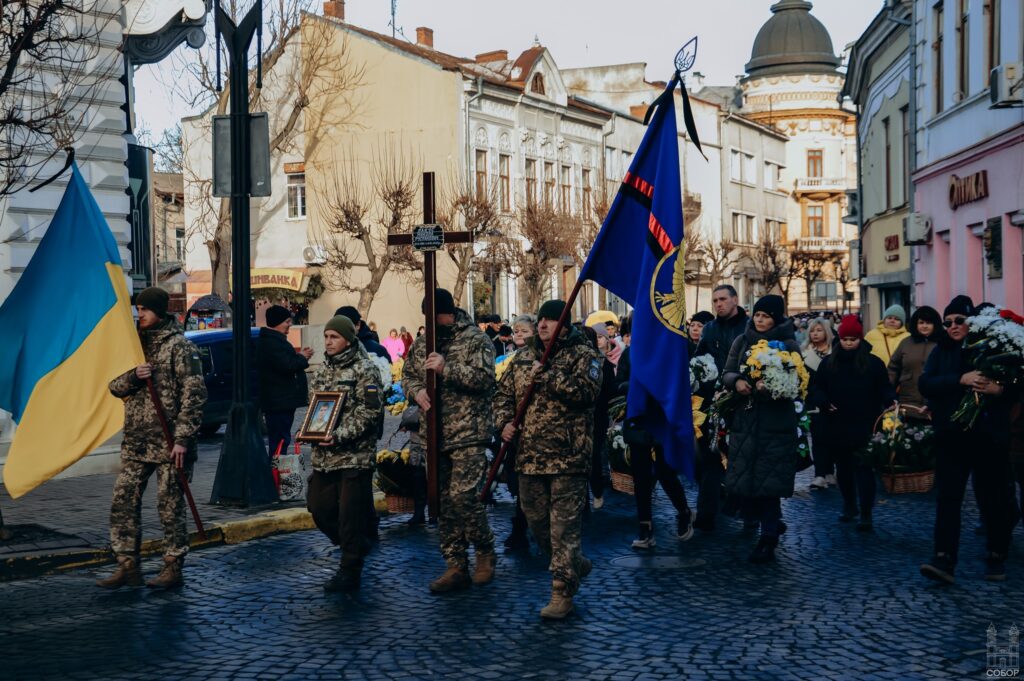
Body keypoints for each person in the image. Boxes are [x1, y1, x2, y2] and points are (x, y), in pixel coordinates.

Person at [494, 300, 601, 619]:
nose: (543, 325)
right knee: (537, 522)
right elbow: (501, 396)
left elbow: (587, 393)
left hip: (569, 456)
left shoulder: (583, 355)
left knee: (563, 528)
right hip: (529, 456)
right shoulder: (522, 358)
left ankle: (561, 590)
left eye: (551, 321)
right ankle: (574, 562)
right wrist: (504, 424)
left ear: (565, 326)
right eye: (541, 320)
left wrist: (551, 376)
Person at [98, 287, 207, 590]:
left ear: (160, 311)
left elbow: (194, 395)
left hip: (171, 444)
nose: (140, 314)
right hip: (137, 441)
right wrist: (134, 375)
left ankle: (172, 566)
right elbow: (113, 386)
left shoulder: (179, 347)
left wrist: (184, 439)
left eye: (145, 309)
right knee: (123, 499)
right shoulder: (133, 346)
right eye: (138, 309)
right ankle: (127, 565)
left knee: (169, 504)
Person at [403, 289, 497, 593]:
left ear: (447, 313)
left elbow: (484, 379)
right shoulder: (422, 344)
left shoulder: (474, 339)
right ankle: (455, 563)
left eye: (433, 317)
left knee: (464, 497)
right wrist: (415, 391)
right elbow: (408, 375)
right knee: (441, 500)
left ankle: (484, 550)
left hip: (468, 431)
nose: (429, 323)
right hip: (434, 434)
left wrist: (447, 369)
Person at [919, 296, 1017, 584]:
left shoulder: (994, 346)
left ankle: (996, 554)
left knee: (992, 498)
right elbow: (926, 383)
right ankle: (943, 558)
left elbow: (1015, 386)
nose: (952, 326)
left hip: (988, 437)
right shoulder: (941, 351)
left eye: (958, 321)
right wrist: (958, 380)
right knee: (948, 499)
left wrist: (1000, 390)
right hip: (952, 437)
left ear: (971, 322)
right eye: (947, 322)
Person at [305, 315, 384, 592]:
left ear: (348, 340)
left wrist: (337, 436)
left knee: (349, 516)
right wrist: (311, 431)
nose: (328, 342)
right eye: (326, 336)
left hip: (354, 457)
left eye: (334, 337)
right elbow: (316, 409)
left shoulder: (366, 370)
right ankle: (357, 545)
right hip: (324, 459)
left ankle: (350, 569)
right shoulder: (322, 371)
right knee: (319, 508)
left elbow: (370, 413)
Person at [721, 294, 800, 564]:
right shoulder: (742, 341)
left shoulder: (788, 344)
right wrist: (738, 382)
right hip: (746, 422)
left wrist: (771, 388)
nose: (760, 320)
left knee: (769, 484)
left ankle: (768, 538)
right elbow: (728, 371)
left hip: (775, 424)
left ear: (776, 318)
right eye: (757, 315)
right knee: (747, 481)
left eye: (766, 316)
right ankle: (769, 522)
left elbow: (796, 382)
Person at [811, 315, 895, 531]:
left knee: (865, 470)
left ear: (859, 339)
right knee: (844, 470)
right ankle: (849, 505)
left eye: (853, 339)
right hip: (837, 423)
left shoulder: (873, 363)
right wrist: (823, 402)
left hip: (865, 424)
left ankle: (866, 512)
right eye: (845, 339)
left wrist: (890, 399)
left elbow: (884, 386)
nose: (849, 343)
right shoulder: (829, 363)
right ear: (840, 339)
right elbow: (816, 388)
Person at [619, 336, 696, 550]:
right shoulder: (629, 353)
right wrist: (637, 386)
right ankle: (645, 528)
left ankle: (684, 512)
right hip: (639, 421)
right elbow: (619, 384)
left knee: (665, 472)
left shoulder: (675, 348)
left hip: (664, 421)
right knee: (641, 478)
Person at [691, 286, 748, 532]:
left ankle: (749, 512)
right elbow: (699, 360)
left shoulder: (748, 327)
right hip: (712, 401)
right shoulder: (710, 329)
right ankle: (706, 513)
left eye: (723, 299)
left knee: (742, 457)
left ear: (735, 300)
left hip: (743, 400)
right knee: (709, 458)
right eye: (715, 300)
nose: (718, 304)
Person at [500, 314, 537, 551]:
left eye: (524, 329)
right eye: (516, 330)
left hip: (544, 438)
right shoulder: (515, 361)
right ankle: (520, 529)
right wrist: (504, 422)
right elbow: (503, 395)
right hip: (519, 436)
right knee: (519, 485)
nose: (519, 333)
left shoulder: (544, 356)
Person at [256, 305, 313, 460]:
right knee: (280, 441)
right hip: (279, 402)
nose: (290, 324)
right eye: (287, 321)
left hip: (282, 401)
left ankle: (277, 473)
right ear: (277, 322)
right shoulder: (272, 343)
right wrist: (302, 357)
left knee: (281, 439)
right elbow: (287, 365)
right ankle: (276, 474)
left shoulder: (275, 341)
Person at [582, 324, 617, 512]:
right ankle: (584, 500)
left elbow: (612, 392)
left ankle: (596, 490)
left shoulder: (604, 365)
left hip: (597, 416)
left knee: (594, 455)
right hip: (578, 418)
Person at [887, 306, 943, 415]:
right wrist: (889, 394)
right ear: (915, 324)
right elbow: (893, 368)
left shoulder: (943, 343)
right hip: (907, 400)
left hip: (935, 401)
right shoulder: (906, 343)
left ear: (935, 324)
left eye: (928, 323)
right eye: (921, 322)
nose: (924, 326)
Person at [802, 318, 835, 489]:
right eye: (812, 330)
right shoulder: (805, 355)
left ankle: (830, 471)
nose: (815, 333)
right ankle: (820, 473)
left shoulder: (835, 353)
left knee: (832, 438)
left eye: (819, 330)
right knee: (817, 438)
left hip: (834, 403)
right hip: (813, 404)